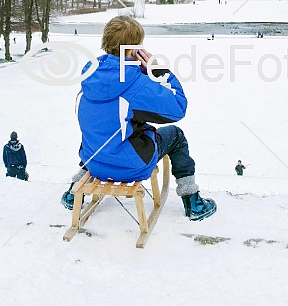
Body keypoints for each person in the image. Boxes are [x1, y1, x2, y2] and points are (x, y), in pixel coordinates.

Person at [62, 15, 216, 221]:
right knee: (176, 136)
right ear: (135, 50)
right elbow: (178, 108)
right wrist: (157, 70)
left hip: (93, 161)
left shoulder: (90, 74)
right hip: (130, 166)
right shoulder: (135, 84)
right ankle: (193, 202)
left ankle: (74, 191)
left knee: (100, 128)